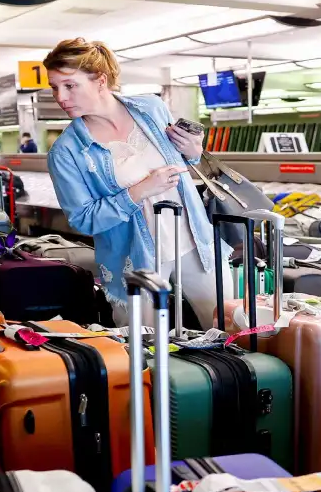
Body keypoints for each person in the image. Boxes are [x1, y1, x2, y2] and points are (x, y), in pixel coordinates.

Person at [43, 37, 228, 326]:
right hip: (135, 258)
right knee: (146, 353)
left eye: (70, 86)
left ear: (100, 81)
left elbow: (183, 163)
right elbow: (82, 219)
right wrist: (139, 191)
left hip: (195, 241)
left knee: (230, 328)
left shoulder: (151, 109)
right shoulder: (66, 151)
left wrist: (193, 152)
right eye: (55, 87)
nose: (60, 97)